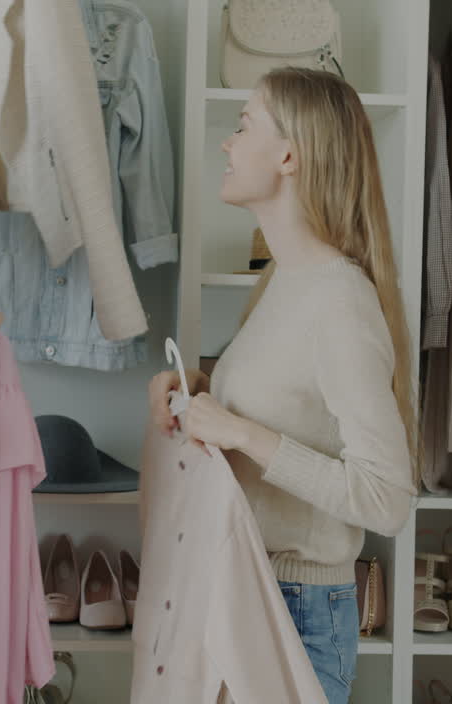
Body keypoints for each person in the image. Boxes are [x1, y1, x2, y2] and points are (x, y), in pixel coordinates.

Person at [148, 67, 418, 704]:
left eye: (244, 126)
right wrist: (201, 396)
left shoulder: (339, 300)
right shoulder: (282, 282)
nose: (227, 143)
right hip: (250, 592)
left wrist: (241, 431)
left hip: (295, 610)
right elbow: (300, 408)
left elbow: (388, 498)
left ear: (290, 155)